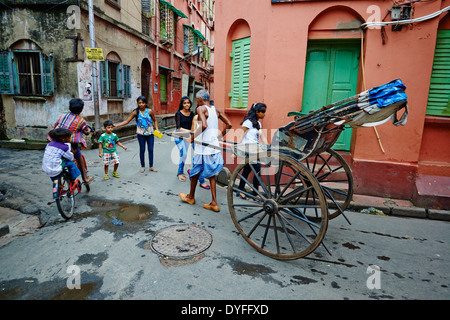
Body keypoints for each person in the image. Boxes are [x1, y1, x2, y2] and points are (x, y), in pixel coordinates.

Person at [178, 89, 232, 212]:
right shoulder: (216, 110)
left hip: (202, 149)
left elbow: (204, 125)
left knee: (195, 173)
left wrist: (192, 138)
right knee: (211, 175)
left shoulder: (201, 108)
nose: (197, 103)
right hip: (213, 148)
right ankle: (214, 202)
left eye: (197, 100)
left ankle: (191, 197)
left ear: (200, 99)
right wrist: (219, 137)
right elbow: (229, 125)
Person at [53, 98, 94, 184]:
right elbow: (86, 131)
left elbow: (55, 125)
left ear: (69, 107)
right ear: (81, 109)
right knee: (79, 156)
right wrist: (90, 130)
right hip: (69, 144)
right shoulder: (81, 121)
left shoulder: (62, 116)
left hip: (56, 142)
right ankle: (85, 178)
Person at [114, 96, 159, 173]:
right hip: (141, 135)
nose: (141, 104)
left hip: (150, 134)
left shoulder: (150, 111)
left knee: (150, 150)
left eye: (143, 103)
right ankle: (143, 166)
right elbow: (127, 121)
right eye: (139, 103)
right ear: (137, 103)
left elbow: (155, 120)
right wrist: (117, 125)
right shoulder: (135, 112)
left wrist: (157, 129)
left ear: (145, 103)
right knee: (142, 150)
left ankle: (151, 166)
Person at [235, 103, 268, 200]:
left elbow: (262, 136)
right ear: (257, 112)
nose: (264, 114)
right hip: (248, 149)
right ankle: (255, 193)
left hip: (255, 150)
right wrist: (237, 149)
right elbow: (242, 135)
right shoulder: (248, 122)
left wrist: (268, 147)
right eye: (262, 112)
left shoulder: (258, 124)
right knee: (257, 169)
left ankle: (240, 190)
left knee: (247, 170)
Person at [173, 96, 194, 181]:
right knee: (184, 154)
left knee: (184, 156)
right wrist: (189, 131)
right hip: (178, 137)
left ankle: (181, 171)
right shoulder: (178, 114)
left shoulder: (192, 114)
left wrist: (192, 134)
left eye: (188, 103)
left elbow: (193, 126)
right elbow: (178, 127)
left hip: (187, 138)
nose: (186, 104)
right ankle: (179, 173)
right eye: (184, 103)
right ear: (182, 104)